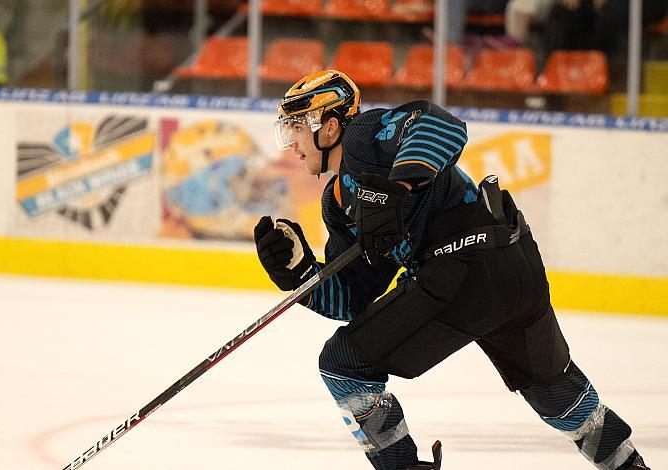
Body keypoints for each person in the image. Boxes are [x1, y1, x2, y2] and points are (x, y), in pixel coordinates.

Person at [253, 69, 650, 470]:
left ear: (331, 126)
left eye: (296, 127)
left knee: (344, 364)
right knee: (555, 393)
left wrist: (398, 187)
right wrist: (301, 274)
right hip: (511, 267)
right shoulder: (338, 204)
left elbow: (442, 126)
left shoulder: (365, 136)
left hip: (466, 267)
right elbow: (353, 297)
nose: (291, 144)